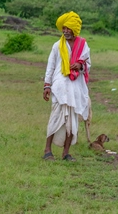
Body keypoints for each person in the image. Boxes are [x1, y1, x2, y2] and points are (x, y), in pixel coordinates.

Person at [42, 11, 91, 161]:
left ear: (74, 29)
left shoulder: (83, 45)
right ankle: (47, 151)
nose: (65, 31)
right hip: (60, 87)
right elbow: (50, 66)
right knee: (56, 118)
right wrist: (47, 85)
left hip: (75, 87)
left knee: (72, 120)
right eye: (63, 28)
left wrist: (80, 65)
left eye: (68, 28)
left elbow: (88, 64)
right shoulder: (57, 45)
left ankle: (66, 153)